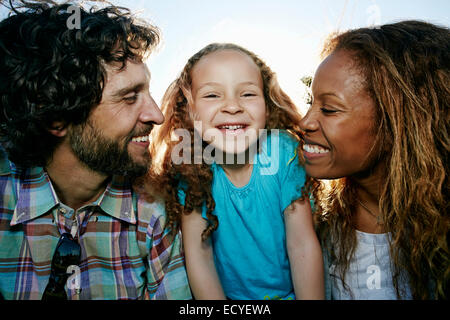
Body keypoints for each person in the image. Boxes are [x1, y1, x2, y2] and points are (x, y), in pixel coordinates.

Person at [0, 1, 191, 300]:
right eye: (129, 97)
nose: (157, 115)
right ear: (56, 117)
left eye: (147, 92)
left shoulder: (155, 213)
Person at [151, 43, 324, 300]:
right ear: (190, 109)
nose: (232, 106)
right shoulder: (190, 167)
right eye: (212, 95)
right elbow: (200, 257)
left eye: (247, 94)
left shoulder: (283, 151)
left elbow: (301, 244)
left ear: (267, 104)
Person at [300, 20, 449, 299]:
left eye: (329, 109)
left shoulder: (438, 233)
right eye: (310, 103)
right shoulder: (314, 222)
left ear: (398, 124)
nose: (304, 121)